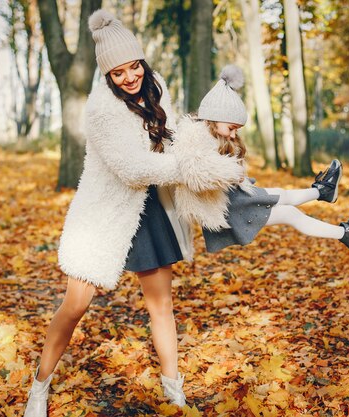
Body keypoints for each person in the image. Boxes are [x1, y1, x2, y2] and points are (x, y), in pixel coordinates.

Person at [23, 10, 245, 417]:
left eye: (133, 67)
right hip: (105, 215)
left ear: (142, 62)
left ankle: (173, 389)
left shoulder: (155, 86)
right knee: (74, 307)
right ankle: (39, 387)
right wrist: (190, 169)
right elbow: (132, 168)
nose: (129, 78)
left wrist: (207, 142)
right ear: (106, 76)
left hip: (150, 211)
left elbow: (172, 138)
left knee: (161, 305)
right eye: (118, 72)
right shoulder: (101, 111)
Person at [170, 65, 349, 253]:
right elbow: (198, 174)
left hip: (236, 199)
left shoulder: (214, 136)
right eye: (231, 128)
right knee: (290, 214)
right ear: (214, 119)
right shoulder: (193, 140)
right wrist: (231, 171)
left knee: (282, 195)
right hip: (230, 210)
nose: (234, 135)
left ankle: (323, 191)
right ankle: (348, 234)